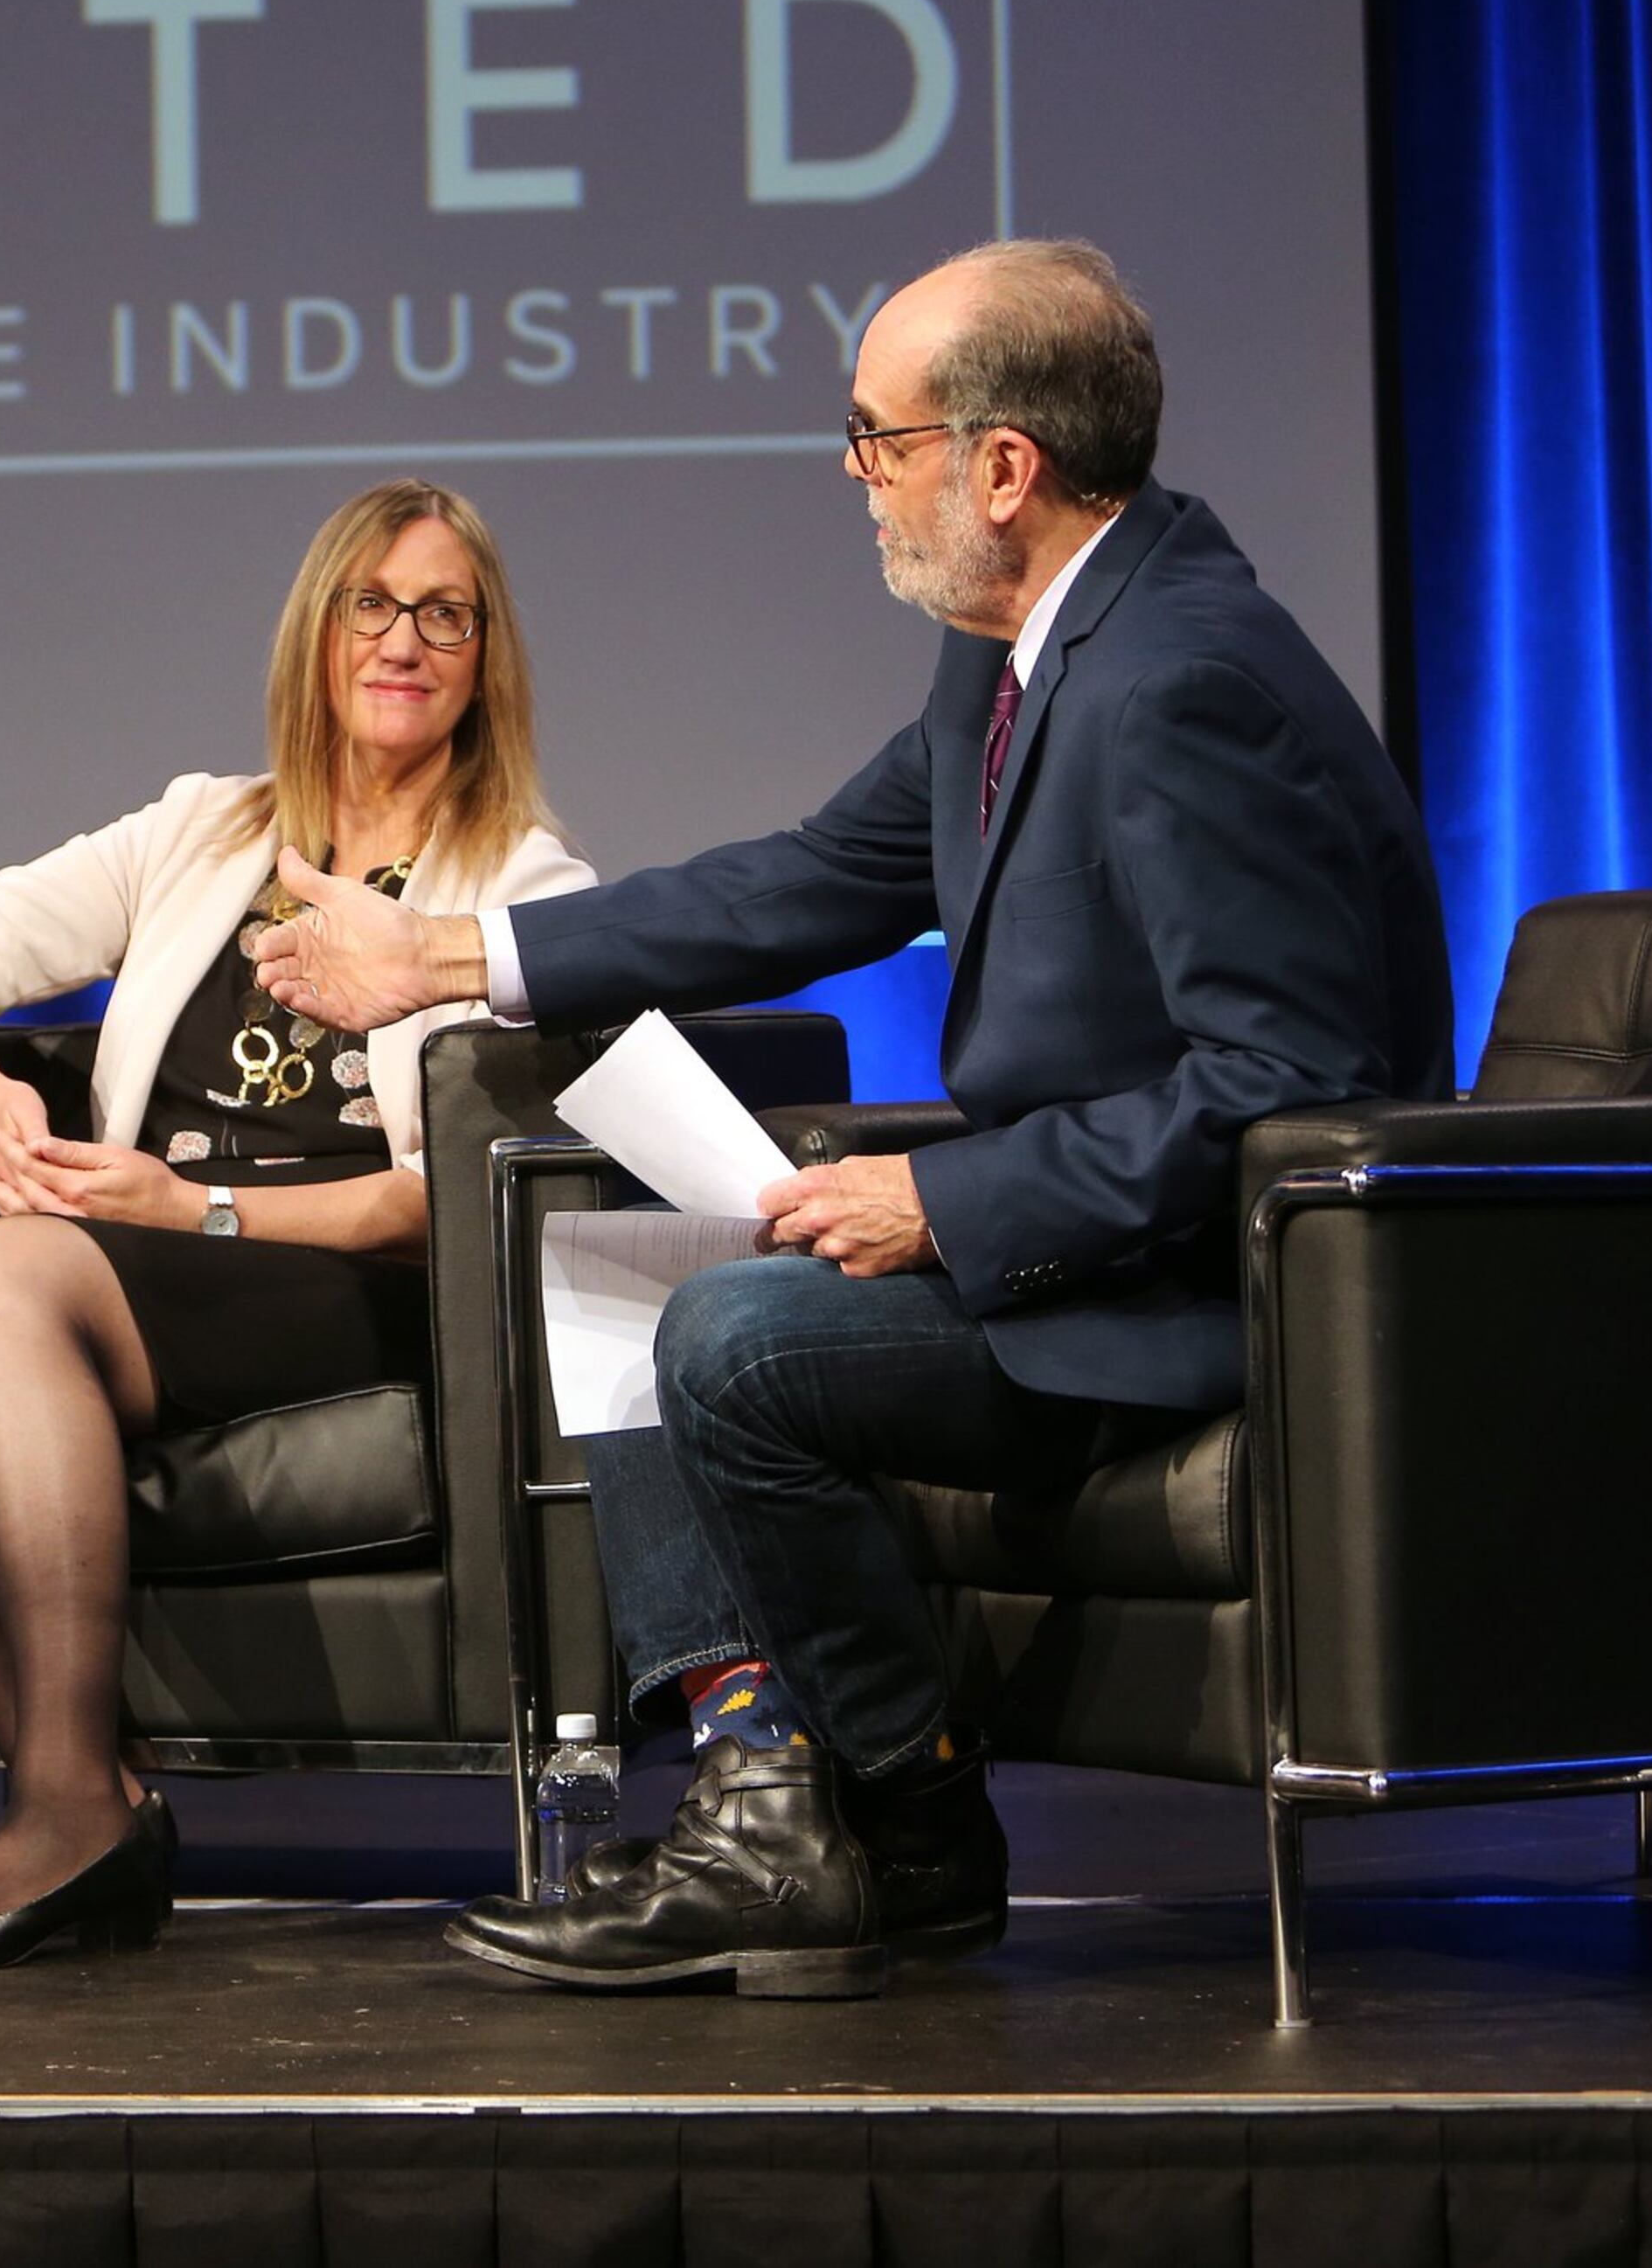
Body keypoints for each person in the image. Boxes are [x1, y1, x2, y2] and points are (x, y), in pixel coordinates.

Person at [253, 241, 1452, 1999]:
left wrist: (948, 1202)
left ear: (1002, 466)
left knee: (721, 1327)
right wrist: (445, 948)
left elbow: (1288, 1080)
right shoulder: (1017, 653)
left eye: (877, 438)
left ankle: (907, 1808)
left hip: (1188, 1294)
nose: (855, 476)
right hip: (1075, 1256)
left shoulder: (1183, 677)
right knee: (611, 1269)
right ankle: (777, 1809)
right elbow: (814, 879)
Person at [0, 479, 593, 1971]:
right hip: (127, 1263)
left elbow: (445, 1199)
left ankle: (62, 1807)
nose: (406, 640)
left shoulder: (518, 883)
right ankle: (83, 1786)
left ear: (488, 654)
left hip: (341, 1281)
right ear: (317, 633)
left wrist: (193, 1204)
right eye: (373, 605)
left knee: (9, 1269)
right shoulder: (203, 831)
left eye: (446, 613)